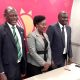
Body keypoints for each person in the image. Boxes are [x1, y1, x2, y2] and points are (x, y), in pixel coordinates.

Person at [0, 6, 27, 80]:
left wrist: (23, 68)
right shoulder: (1, 30)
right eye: (11, 15)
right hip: (7, 70)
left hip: (19, 68)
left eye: (16, 15)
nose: (15, 18)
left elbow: (23, 49)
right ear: (5, 16)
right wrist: (1, 72)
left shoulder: (21, 30)